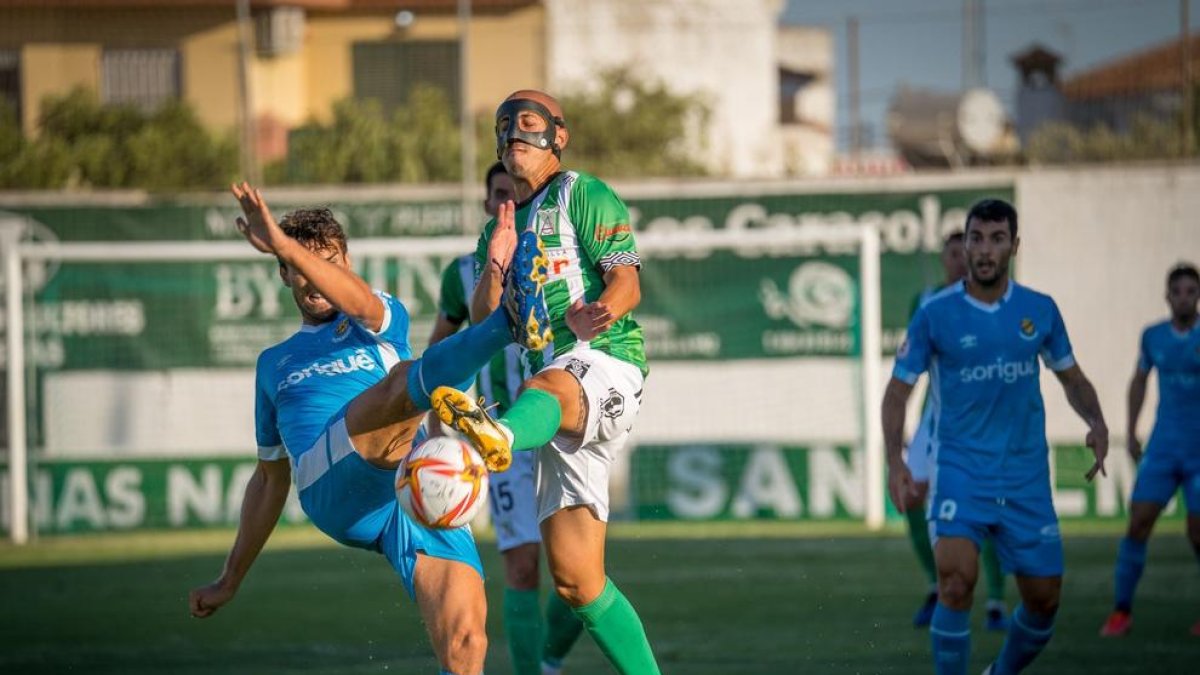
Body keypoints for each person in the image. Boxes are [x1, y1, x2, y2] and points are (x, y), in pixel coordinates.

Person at [189, 183, 530, 675]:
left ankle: (467, 378)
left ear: (345, 264)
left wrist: (289, 247)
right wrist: (229, 579)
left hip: (411, 486)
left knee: (466, 643)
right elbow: (269, 479)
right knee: (401, 384)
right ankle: (504, 327)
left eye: (325, 264)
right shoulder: (274, 364)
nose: (315, 281)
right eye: (300, 268)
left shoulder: (379, 318)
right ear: (283, 272)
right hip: (333, 489)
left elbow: (364, 305)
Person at [431, 89, 661, 675]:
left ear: (558, 136)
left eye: (527, 123)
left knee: (550, 383)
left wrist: (601, 311)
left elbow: (628, 284)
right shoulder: (496, 234)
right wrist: (498, 263)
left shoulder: (583, 193)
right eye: (504, 126)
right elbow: (483, 318)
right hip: (553, 404)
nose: (514, 134)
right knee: (577, 582)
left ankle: (497, 437)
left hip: (604, 363)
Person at [882, 198, 1109, 675]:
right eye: (977, 239)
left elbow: (1073, 379)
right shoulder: (935, 313)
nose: (985, 250)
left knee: (1044, 600)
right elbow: (897, 394)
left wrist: (1096, 420)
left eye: (997, 239)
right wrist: (896, 462)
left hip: (1025, 474)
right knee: (956, 583)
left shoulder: (1039, 310)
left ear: (1014, 246)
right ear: (965, 245)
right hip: (960, 470)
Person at [428, 161, 584, 675]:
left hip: (563, 424)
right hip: (501, 438)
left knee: (579, 577)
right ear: (485, 204)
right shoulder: (464, 272)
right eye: (498, 196)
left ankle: (548, 659)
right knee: (521, 567)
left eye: (514, 194)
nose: (506, 204)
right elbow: (443, 345)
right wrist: (429, 418)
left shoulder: (565, 256)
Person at [904, 232, 1009, 632]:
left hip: (978, 421)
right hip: (934, 420)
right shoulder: (926, 300)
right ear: (945, 259)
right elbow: (914, 366)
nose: (957, 261)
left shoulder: (992, 302)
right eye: (950, 253)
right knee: (910, 496)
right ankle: (936, 586)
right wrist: (912, 425)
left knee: (982, 507)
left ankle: (996, 600)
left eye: (962, 253)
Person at [1100, 262, 1200, 638]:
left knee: (1197, 533)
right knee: (1138, 522)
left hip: (1198, 453)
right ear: (1167, 296)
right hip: (1162, 448)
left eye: (1191, 291)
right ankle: (1121, 612)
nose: (1184, 298)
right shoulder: (1153, 336)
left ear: (1198, 296)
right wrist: (1130, 430)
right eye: (1178, 291)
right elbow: (1139, 380)